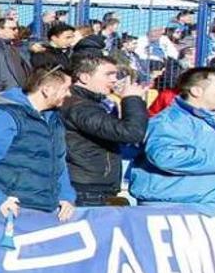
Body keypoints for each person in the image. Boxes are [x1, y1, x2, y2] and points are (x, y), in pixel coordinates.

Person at [0, 67, 76, 221]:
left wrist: (65, 195)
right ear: (47, 90)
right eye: (66, 89)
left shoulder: (54, 120)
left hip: (47, 209)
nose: (69, 94)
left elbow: (59, 162)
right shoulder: (4, 116)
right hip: (10, 210)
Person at [128, 68, 215, 211]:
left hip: (214, 208)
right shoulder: (172, 121)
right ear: (197, 91)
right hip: (175, 210)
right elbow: (166, 156)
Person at [59, 55, 149, 206]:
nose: (114, 80)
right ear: (84, 77)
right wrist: (131, 99)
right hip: (85, 188)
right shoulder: (80, 107)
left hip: (90, 184)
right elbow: (131, 133)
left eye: (116, 75)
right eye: (108, 74)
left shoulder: (90, 104)